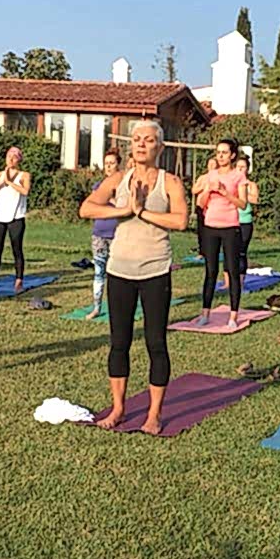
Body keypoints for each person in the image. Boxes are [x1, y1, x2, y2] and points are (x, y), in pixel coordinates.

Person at [79, 120, 188, 435]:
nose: (141, 144)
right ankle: (118, 408)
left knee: (156, 342)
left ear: (160, 147)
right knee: (119, 342)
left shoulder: (170, 182)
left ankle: (154, 414)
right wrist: (124, 210)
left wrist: (142, 212)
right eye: (137, 139)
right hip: (119, 270)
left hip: (155, 270)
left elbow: (181, 221)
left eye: (148, 140)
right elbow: (87, 209)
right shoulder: (118, 179)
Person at [197, 139, 248, 328]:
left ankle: (233, 316)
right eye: (218, 152)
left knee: (232, 270)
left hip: (230, 227)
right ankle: (205, 313)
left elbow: (243, 204)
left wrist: (225, 193)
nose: (220, 156)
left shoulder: (238, 176)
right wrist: (208, 191)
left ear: (232, 155)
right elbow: (201, 203)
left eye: (224, 152)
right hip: (210, 226)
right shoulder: (210, 175)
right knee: (210, 271)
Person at [0, 146, 32, 292]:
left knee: (17, 249)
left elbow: (25, 191)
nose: (11, 160)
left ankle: (19, 281)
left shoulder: (24, 175)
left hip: (16, 217)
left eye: (14, 157)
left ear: (19, 160)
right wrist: (1, 183)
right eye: (9, 156)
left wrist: (10, 183)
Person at [85, 149, 121, 319]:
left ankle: (118, 308)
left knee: (117, 274)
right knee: (99, 271)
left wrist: (110, 199)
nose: (108, 167)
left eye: (112, 163)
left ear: (118, 165)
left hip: (118, 234)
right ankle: (96, 307)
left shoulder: (123, 186)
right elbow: (91, 206)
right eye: (106, 163)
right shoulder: (98, 186)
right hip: (99, 234)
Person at [233, 154, 259, 281]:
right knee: (231, 252)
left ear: (247, 169)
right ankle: (229, 281)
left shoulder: (251, 185)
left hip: (245, 221)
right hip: (231, 220)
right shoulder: (232, 182)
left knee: (241, 251)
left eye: (243, 167)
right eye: (238, 166)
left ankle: (241, 281)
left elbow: (255, 199)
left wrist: (243, 193)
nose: (240, 169)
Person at [191, 157, 218, 255]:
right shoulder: (202, 178)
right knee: (201, 229)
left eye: (213, 164)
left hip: (212, 207)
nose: (211, 166)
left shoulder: (219, 177)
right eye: (209, 164)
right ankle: (202, 251)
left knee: (211, 229)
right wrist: (203, 187)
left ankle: (212, 250)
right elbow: (194, 190)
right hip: (201, 206)